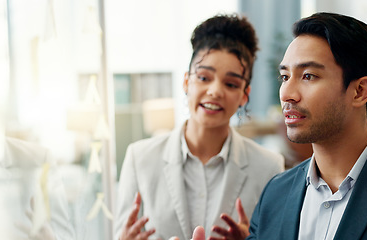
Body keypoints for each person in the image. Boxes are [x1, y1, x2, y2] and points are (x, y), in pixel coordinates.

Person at [189, 12, 367, 240]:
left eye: (308, 76)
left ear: (359, 91)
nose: (287, 93)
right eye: (285, 76)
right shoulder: (275, 192)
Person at [114, 13, 284, 240]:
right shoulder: (140, 158)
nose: (215, 91)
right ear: (186, 82)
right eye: (204, 78)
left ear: (244, 95)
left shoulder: (269, 167)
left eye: (231, 83)